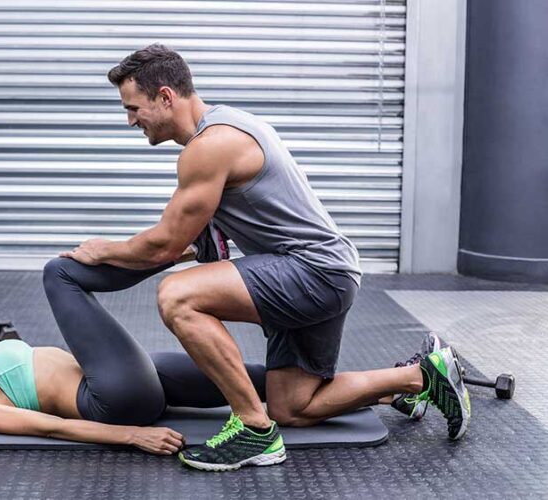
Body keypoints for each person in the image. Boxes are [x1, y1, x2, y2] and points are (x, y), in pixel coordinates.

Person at [59, 43, 471, 471]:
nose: (130, 121)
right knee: (293, 407)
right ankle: (421, 376)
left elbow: (164, 244)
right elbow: (196, 245)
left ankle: (254, 430)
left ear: (165, 96)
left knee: (177, 297)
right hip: (326, 270)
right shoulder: (228, 128)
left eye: (133, 108)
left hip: (313, 270)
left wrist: (103, 250)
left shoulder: (209, 146)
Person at [0, 251, 267, 455]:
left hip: (135, 380)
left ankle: (312, 391)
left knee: (262, 381)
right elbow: (48, 427)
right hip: (112, 399)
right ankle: (184, 251)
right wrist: (131, 436)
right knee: (58, 273)